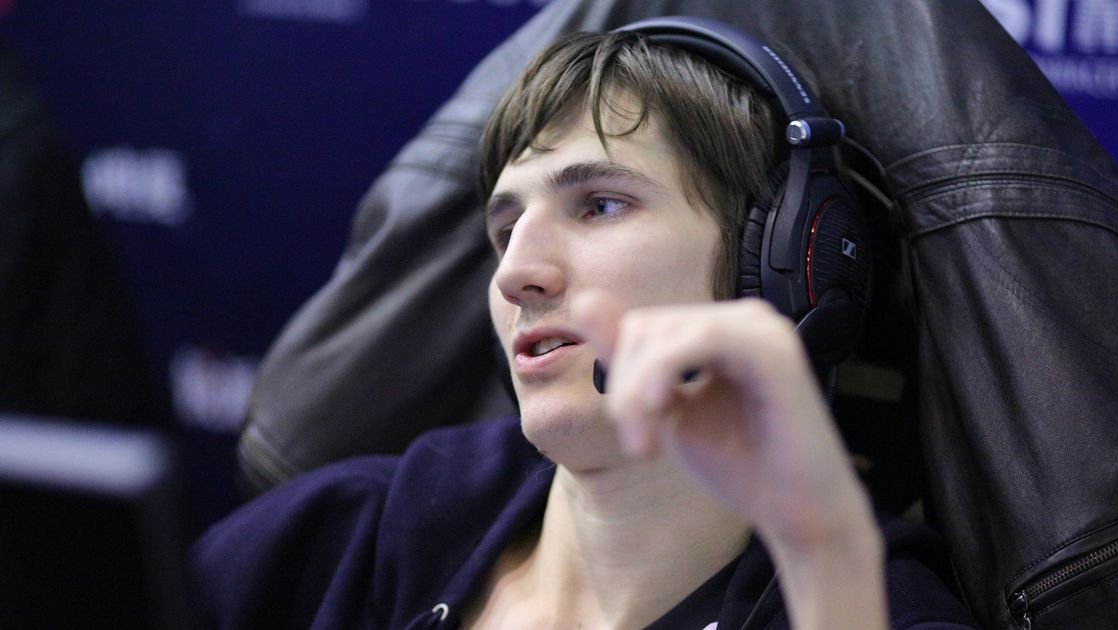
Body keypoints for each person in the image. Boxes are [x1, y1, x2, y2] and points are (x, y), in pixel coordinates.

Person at [193, 25, 976, 629]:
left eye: (599, 205)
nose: (516, 272)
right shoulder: (338, 545)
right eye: (506, 230)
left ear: (777, 266)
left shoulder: (870, 605)